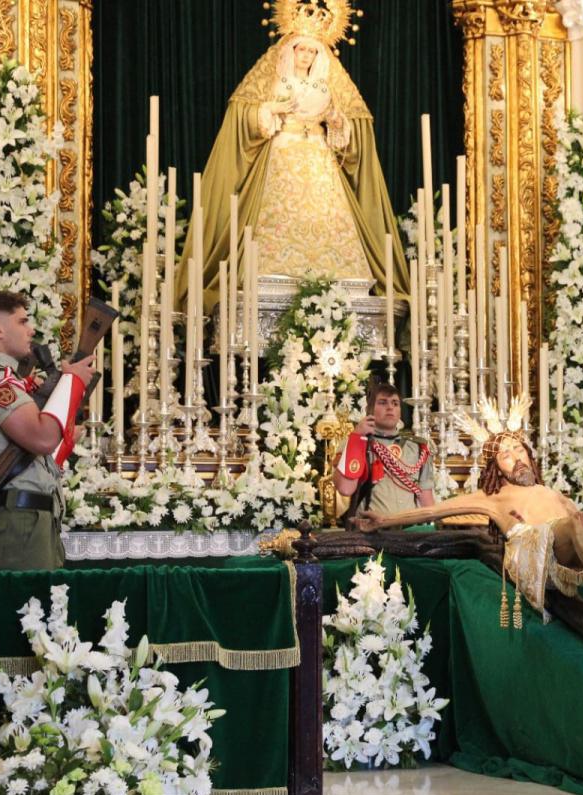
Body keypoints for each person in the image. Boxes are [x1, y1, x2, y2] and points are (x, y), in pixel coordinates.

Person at [354, 398, 583, 630]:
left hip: (568, 549)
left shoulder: (550, 492)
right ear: (495, 468)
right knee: (582, 520)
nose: (516, 458)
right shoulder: (493, 497)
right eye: (506, 455)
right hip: (535, 559)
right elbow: (435, 509)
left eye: (519, 450)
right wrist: (384, 521)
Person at [183, 5, 406, 307]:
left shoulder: (326, 85)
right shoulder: (277, 80)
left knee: (326, 215)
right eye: (301, 50)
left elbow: (346, 124)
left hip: (318, 155)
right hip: (283, 151)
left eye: (312, 53)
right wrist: (270, 110)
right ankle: (271, 278)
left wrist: (338, 121)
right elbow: (247, 115)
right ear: (291, 51)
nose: (306, 57)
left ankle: (338, 282)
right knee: (277, 211)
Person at [0, 291, 93, 570]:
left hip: (19, 521)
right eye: (22, 321)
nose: (31, 330)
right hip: (14, 525)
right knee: (25, 610)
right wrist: (71, 384)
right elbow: (42, 438)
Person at [334, 382, 435, 516]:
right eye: (383, 402)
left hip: (409, 532)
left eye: (395, 403)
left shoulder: (417, 448)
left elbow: (427, 501)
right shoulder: (356, 443)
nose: (390, 407)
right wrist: (357, 437)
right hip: (370, 533)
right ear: (369, 410)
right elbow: (345, 489)